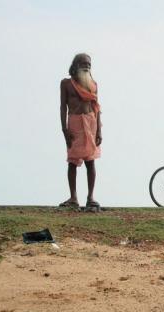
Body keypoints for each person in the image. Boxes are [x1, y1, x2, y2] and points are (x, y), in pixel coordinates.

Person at [59, 53, 102, 209]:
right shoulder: (66, 84)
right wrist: (64, 129)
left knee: (90, 161)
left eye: (89, 64)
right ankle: (73, 198)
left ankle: (91, 197)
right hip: (74, 123)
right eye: (84, 63)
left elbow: (97, 107)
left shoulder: (93, 84)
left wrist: (99, 131)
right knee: (72, 161)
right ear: (75, 65)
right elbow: (63, 107)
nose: (87, 66)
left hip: (91, 123)